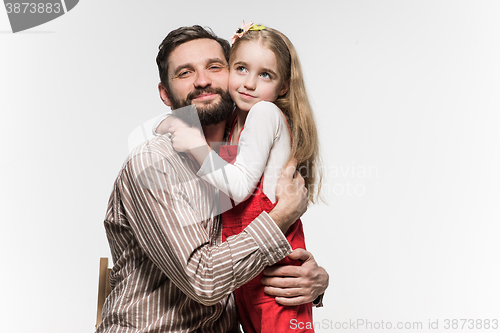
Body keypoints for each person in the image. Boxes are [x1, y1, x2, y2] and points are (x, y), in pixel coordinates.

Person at [97, 25, 328, 333]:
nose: (202, 80)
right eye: (184, 73)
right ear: (165, 94)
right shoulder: (153, 164)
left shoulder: (243, 151)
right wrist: (282, 217)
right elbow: (203, 280)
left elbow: (246, 257)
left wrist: (309, 280)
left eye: (214, 67)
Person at [163, 22, 321, 333]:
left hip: (272, 266)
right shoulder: (234, 119)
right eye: (241, 68)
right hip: (247, 261)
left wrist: (195, 147)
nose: (249, 83)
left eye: (265, 75)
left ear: (284, 87)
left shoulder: (264, 114)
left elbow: (237, 187)